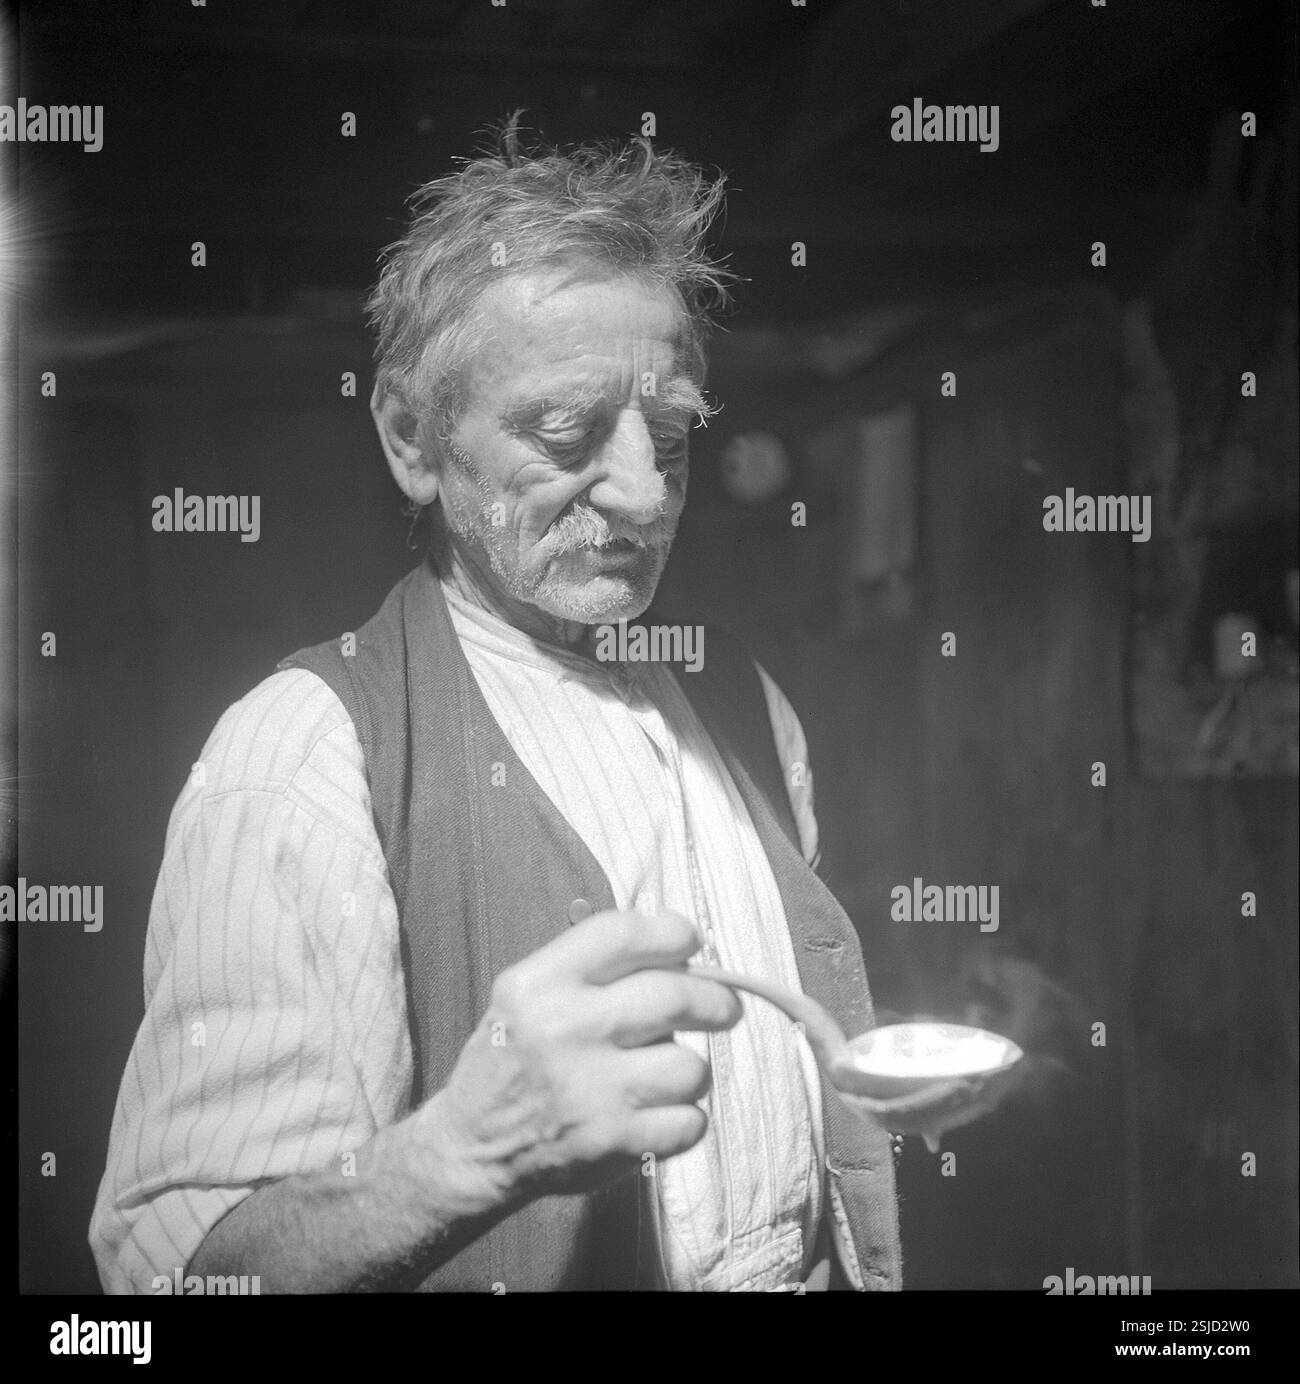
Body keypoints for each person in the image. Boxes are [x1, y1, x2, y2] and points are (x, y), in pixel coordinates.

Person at [90, 121, 909, 1294]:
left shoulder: (746, 702)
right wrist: (462, 1155)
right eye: (566, 431)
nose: (641, 494)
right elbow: (170, 1285)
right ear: (412, 440)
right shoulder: (300, 754)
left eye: (669, 434)